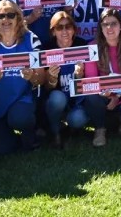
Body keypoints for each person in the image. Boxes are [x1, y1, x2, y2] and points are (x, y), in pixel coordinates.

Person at [0, 0, 44, 155]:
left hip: (23, 99)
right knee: (1, 149)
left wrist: (31, 76)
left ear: (18, 17)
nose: (5, 19)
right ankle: (10, 136)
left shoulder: (31, 39)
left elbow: (41, 79)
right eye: (0, 16)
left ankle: (29, 132)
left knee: (19, 118)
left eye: (10, 15)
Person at [73, 9, 121, 147]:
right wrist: (110, 94)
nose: (109, 28)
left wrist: (118, 95)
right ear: (101, 27)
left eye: (113, 23)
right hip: (104, 92)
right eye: (105, 24)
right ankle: (100, 129)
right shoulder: (93, 47)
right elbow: (92, 78)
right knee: (91, 95)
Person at [39, 12, 88, 148]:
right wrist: (51, 78)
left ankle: (73, 130)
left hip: (77, 98)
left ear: (74, 29)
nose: (65, 31)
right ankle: (56, 132)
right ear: (53, 32)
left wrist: (80, 76)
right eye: (59, 27)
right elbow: (46, 88)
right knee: (57, 98)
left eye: (68, 26)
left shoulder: (82, 45)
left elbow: (90, 81)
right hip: (57, 97)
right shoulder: (47, 49)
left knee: (78, 119)